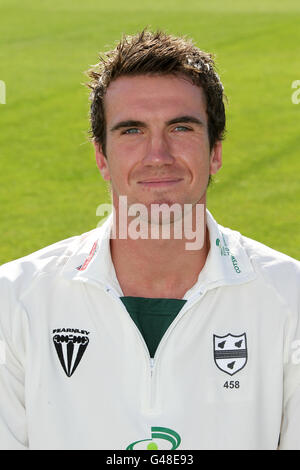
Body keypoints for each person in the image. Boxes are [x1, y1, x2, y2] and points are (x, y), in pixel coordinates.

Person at [0, 29, 299, 451]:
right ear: (101, 157)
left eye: (180, 127)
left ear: (215, 151)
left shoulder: (292, 299)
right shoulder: (14, 301)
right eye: (132, 131)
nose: (158, 155)